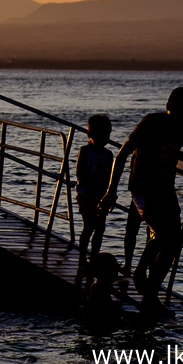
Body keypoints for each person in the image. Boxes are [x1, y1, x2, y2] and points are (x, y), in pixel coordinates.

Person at [100, 86, 183, 319]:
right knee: (164, 234)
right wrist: (111, 192)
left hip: (165, 189)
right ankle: (141, 275)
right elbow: (121, 155)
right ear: (168, 107)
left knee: (174, 241)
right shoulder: (150, 123)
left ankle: (150, 293)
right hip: (142, 188)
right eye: (180, 110)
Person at [76, 114, 114, 268]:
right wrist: (89, 187)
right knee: (88, 226)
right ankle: (82, 258)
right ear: (90, 134)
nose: (104, 138)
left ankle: (94, 259)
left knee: (100, 228)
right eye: (100, 134)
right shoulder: (85, 151)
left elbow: (110, 177)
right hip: (87, 194)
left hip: (101, 195)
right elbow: (80, 173)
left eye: (107, 134)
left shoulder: (109, 154)